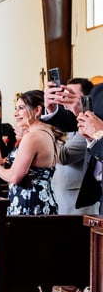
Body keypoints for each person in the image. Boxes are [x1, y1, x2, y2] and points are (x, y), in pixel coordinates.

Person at [0, 90, 58, 215]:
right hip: (41, 200)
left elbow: (15, 177)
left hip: (30, 203)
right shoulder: (46, 132)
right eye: (16, 108)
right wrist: (2, 162)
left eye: (21, 108)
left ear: (37, 110)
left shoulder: (33, 137)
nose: (15, 114)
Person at [52, 78, 98, 214]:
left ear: (86, 100)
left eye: (71, 97)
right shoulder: (65, 124)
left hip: (76, 197)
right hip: (60, 191)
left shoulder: (88, 127)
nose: (66, 103)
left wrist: (46, 134)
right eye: (65, 97)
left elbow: (64, 156)